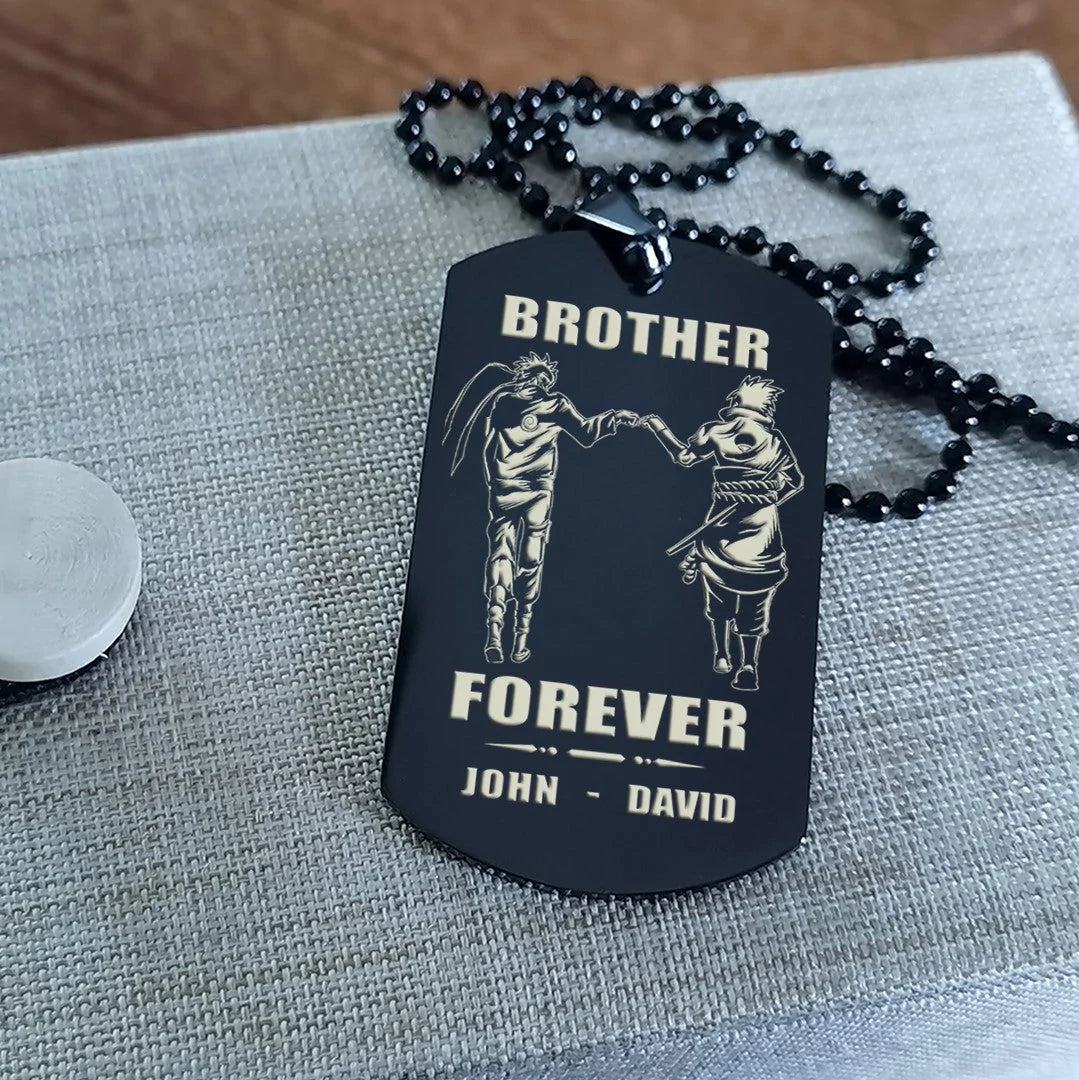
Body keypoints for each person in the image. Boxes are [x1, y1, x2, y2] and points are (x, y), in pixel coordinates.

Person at [445, 351, 639, 663]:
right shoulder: (556, 404)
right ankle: (520, 639)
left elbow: (488, 444)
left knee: (500, 554)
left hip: (504, 487)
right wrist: (614, 418)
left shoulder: (503, 402)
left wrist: (495, 480)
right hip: (537, 490)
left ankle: (494, 630)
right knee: (531, 558)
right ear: (544, 380)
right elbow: (586, 433)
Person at [642, 376, 803, 691]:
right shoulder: (775, 442)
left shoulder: (715, 432)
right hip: (762, 529)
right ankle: (749, 665)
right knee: (755, 598)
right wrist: (765, 497)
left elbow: (683, 457)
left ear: (736, 402)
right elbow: (795, 482)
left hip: (721, 527)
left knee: (718, 591)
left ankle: (721, 655)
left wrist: (658, 428)